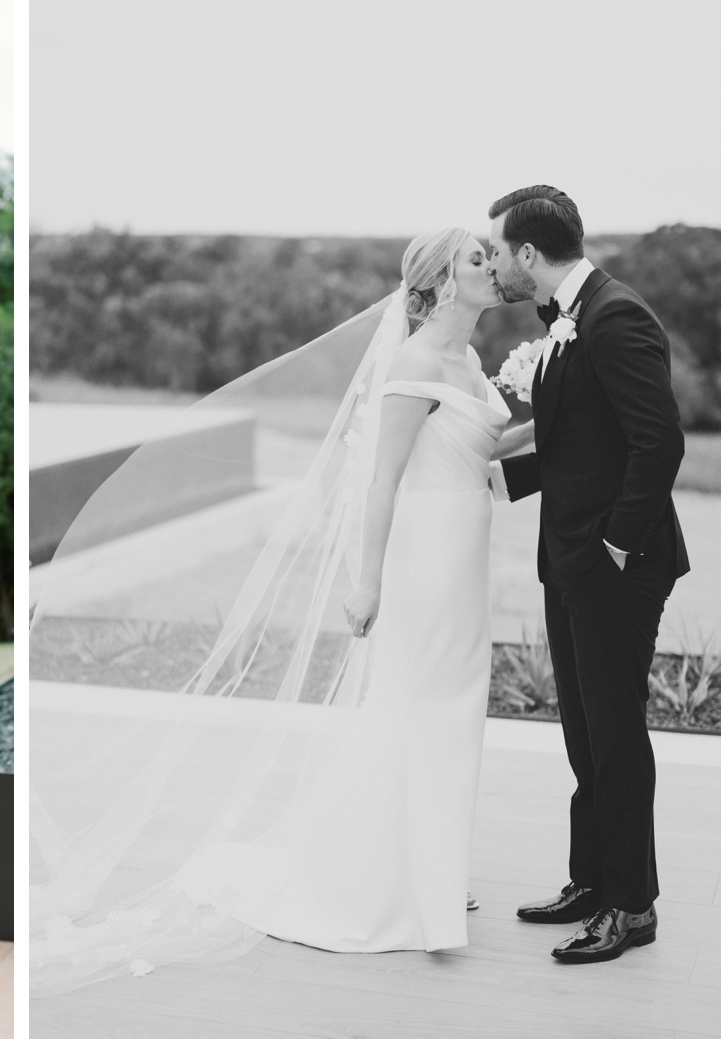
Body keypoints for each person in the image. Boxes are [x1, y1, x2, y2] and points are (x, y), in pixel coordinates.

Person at [30, 229, 523, 993]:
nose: (493, 268)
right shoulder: (417, 358)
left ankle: (430, 869)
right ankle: (382, 881)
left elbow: (476, 450)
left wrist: (559, 420)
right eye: (476, 259)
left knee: (454, 715)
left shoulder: (471, 361)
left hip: (466, 552)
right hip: (422, 558)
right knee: (411, 710)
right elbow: (382, 479)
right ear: (441, 280)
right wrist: (367, 581)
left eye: (492, 256)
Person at [486, 185, 688, 964]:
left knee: (616, 732)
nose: (497, 263)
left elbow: (658, 443)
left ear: (528, 254)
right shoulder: (570, 319)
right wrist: (504, 479)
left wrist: (616, 545)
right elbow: (584, 441)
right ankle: (593, 879)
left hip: (615, 566)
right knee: (584, 730)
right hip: (568, 556)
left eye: (498, 250)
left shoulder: (615, 314)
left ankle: (632, 907)